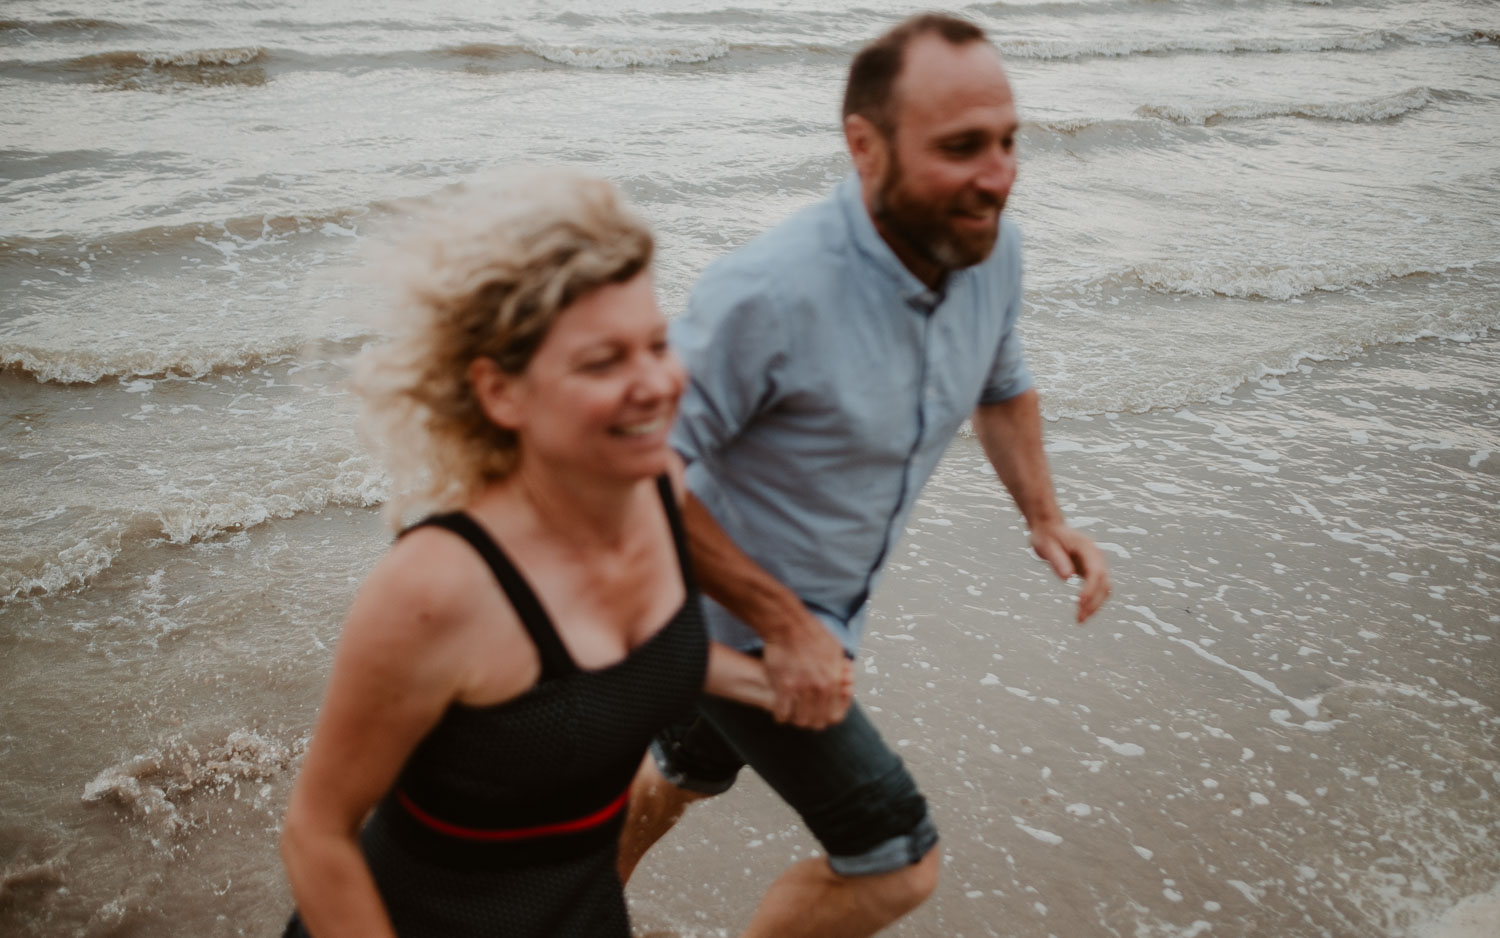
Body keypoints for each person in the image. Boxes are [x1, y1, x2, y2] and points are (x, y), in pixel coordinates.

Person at [616, 13, 1112, 938]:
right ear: (864, 146)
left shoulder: (989, 247)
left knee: (685, 775)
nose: (997, 173)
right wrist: (785, 624)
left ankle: (564, 910)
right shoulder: (769, 294)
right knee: (893, 859)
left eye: (1008, 142)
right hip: (725, 622)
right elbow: (634, 470)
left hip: (800, 618)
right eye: (961, 147)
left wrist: (1045, 517)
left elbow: (1001, 386)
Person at [278, 170, 816, 938]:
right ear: (501, 393)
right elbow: (317, 835)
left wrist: (773, 681)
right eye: (603, 362)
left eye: (657, 345)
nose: (656, 384)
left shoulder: (660, 489)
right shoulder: (437, 589)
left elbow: (622, 670)